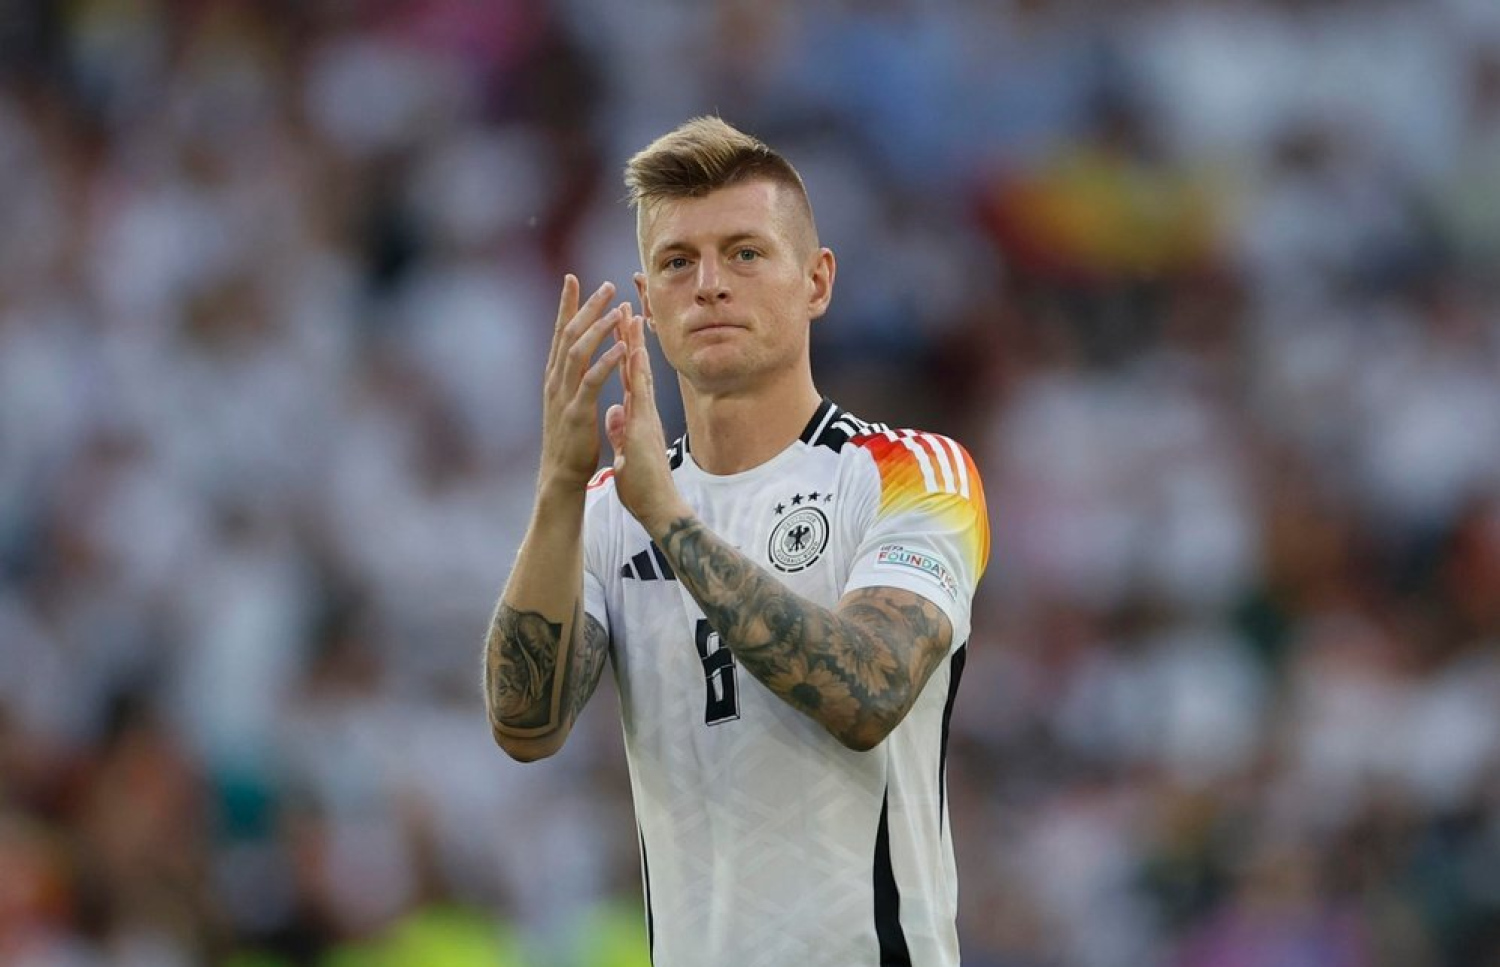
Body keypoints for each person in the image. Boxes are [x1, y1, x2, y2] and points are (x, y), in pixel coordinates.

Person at [483, 116, 990, 967]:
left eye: (745, 253)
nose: (710, 285)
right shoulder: (606, 511)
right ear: (647, 301)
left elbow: (868, 691)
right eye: (678, 262)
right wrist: (559, 487)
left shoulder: (907, 470)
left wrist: (672, 522)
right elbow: (525, 725)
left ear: (817, 281)